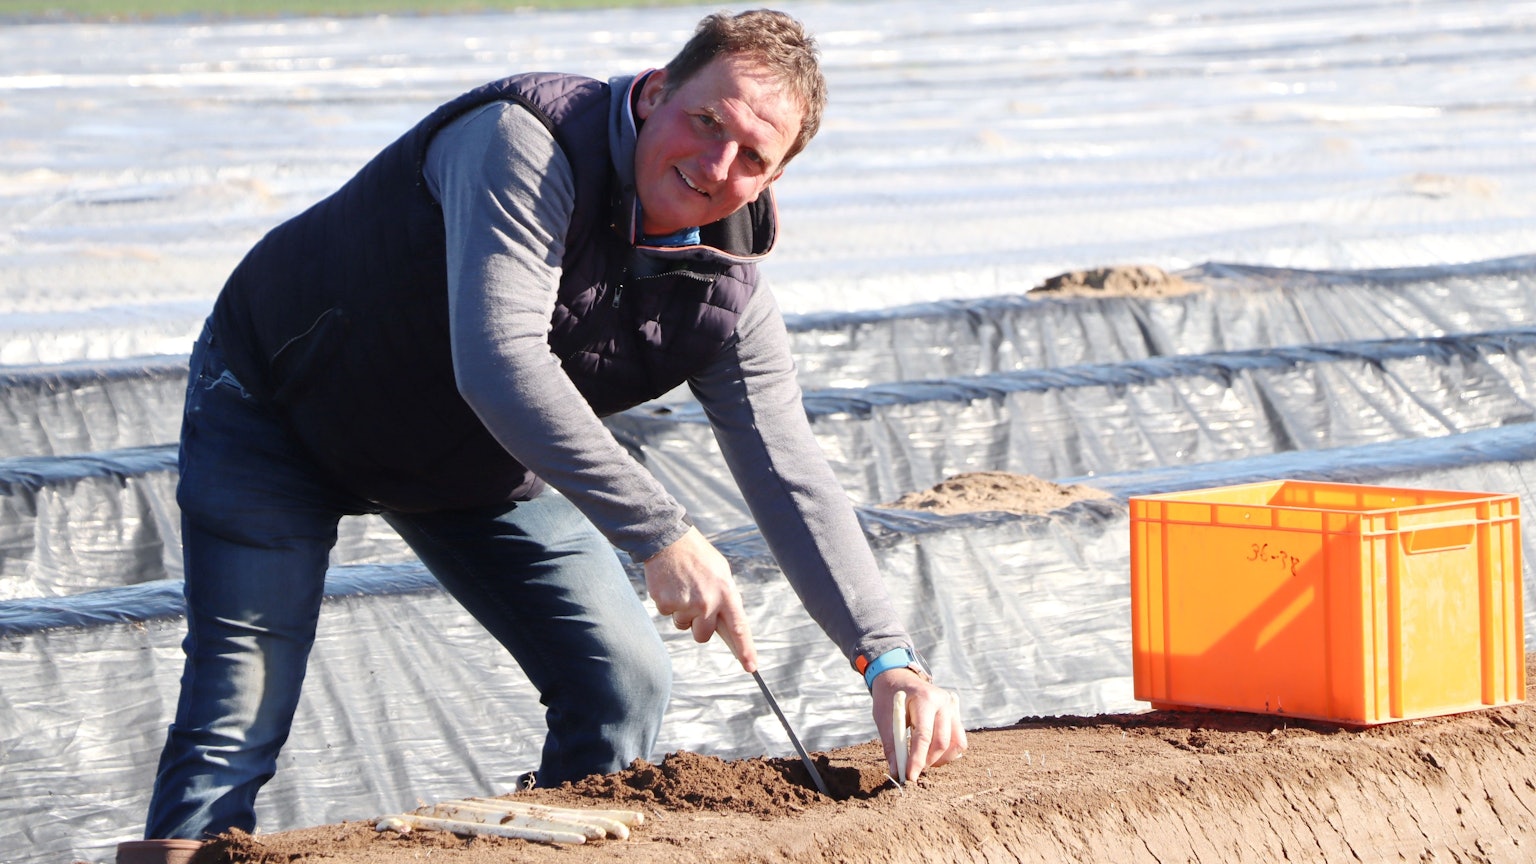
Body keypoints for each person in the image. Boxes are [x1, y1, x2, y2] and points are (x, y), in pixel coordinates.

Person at [136, 7, 966, 853]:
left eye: (752, 155)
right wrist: (662, 533)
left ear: (773, 178)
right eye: (705, 120)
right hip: (278, 407)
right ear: (652, 94)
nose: (715, 163)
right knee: (236, 716)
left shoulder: (725, 298)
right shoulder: (525, 142)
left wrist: (885, 656)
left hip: (467, 457)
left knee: (622, 680)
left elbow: (791, 476)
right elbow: (501, 365)